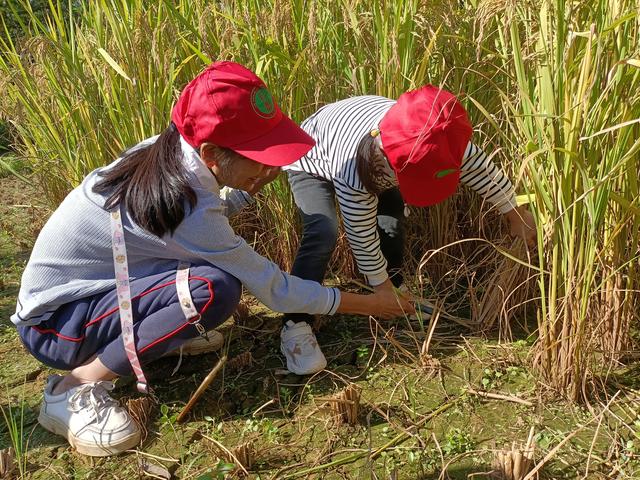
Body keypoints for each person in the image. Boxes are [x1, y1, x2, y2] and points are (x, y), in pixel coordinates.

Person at [11, 61, 414, 457]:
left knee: (205, 281)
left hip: (91, 296)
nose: (272, 169)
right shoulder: (186, 201)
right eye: (260, 156)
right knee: (213, 289)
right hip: (57, 327)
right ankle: (74, 388)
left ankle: (156, 335)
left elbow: (201, 219)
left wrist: (246, 185)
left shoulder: (168, 153)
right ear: (211, 153)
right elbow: (274, 290)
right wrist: (370, 304)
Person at [279, 85, 536, 375]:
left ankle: (398, 288)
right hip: (312, 155)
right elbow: (360, 233)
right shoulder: (356, 167)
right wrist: (380, 288)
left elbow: (481, 169)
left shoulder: (441, 135)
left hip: (386, 149)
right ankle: (295, 322)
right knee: (323, 230)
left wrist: (515, 213)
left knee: (392, 216)